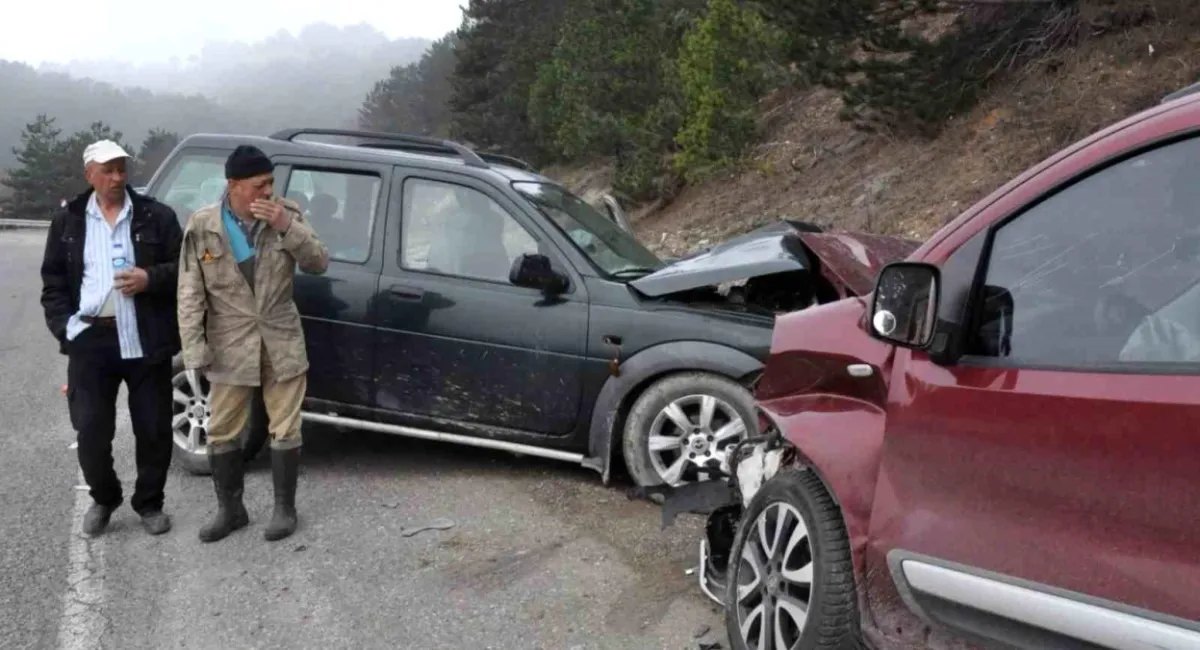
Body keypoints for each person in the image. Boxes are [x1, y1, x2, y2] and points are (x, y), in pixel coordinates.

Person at [177, 145, 329, 543]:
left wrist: (286, 227)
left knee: (285, 425)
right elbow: (190, 292)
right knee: (222, 429)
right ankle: (231, 510)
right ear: (234, 186)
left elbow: (318, 262)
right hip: (229, 341)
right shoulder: (204, 225)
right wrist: (193, 348)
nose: (267, 191)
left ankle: (284, 509)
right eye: (259, 185)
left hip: (280, 335)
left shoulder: (286, 214)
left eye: (271, 183)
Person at [40, 139, 183, 537]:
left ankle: (150, 503)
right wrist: (65, 328)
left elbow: (186, 270)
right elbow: (53, 282)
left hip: (145, 337)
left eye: (122, 168)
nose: (118, 177)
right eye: (108, 170)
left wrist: (149, 278)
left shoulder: (156, 216)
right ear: (90, 174)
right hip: (91, 341)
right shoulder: (68, 221)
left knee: (153, 428)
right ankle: (104, 498)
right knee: (91, 430)